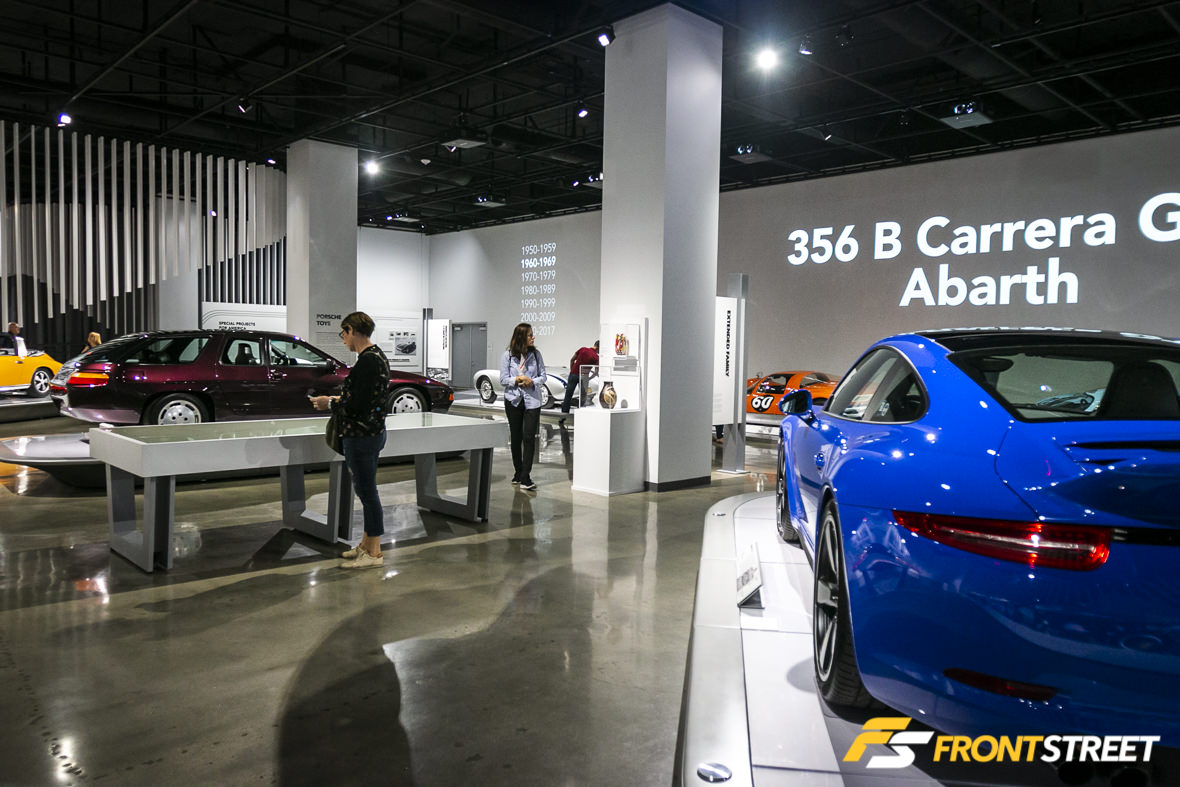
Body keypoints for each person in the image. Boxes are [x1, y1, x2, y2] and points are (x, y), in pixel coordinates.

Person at [310, 312, 391, 569]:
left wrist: (329, 403)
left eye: (343, 333)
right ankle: (366, 545)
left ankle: (374, 553)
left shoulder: (368, 361)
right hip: (371, 433)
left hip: (361, 436)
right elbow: (363, 399)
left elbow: (356, 405)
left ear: (352, 330)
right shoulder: (376, 357)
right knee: (367, 491)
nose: (343, 339)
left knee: (367, 493)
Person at [499, 322, 546, 491]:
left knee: (529, 437)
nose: (533, 337)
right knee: (516, 437)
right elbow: (503, 379)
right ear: (521, 337)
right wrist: (518, 379)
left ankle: (526, 477)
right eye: (530, 335)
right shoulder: (507, 356)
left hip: (532, 401)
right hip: (513, 400)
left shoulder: (536, 355)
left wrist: (531, 381)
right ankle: (518, 472)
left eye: (532, 334)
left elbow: (543, 376)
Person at [560, 339, 599, 421]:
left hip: (573, 374)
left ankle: (563, 416)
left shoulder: (583, 349)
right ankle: (580, 416)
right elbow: (596, 372)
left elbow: (572, 360)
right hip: (584, 377)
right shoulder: (596, 357)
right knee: (583, 397)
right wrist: (589, 378)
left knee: (568, 395)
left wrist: (572, 370)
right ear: (598, 348)